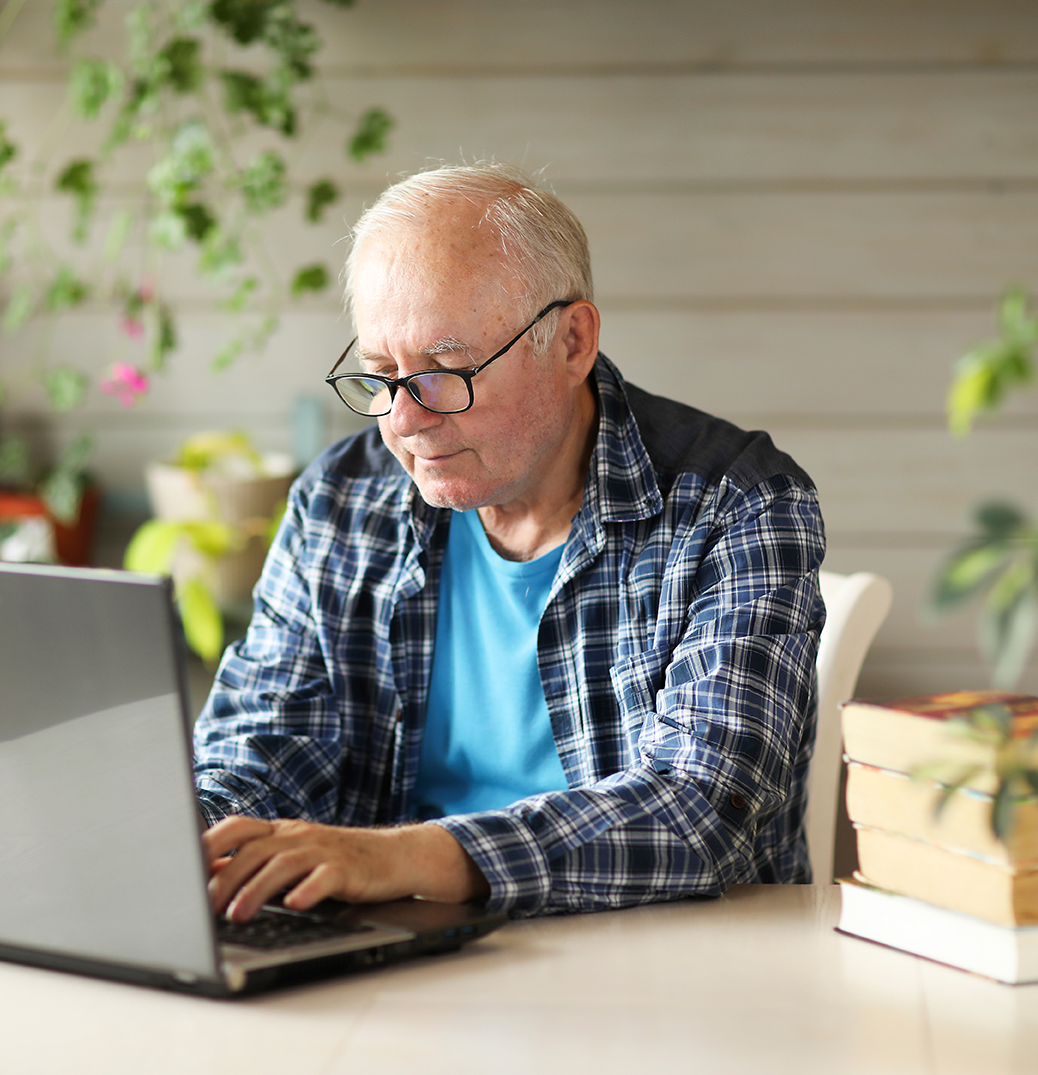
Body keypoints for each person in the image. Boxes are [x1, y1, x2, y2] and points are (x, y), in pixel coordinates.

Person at [196, 162, 826, 922]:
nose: (402, 419)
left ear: (570, 341)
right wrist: (189, 840)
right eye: (381, 373)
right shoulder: (340, 499)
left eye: (444, 370)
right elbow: (259, 747)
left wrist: (399, 857)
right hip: (395, 955)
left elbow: (701, 809)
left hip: (660, 962)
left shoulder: (737, 505)